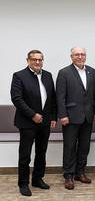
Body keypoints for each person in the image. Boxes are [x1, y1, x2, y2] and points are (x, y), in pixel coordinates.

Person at [10, 50, 57, 196]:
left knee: (41, 152)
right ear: (28, 60)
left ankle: (37, 179)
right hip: (27, 122)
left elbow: (52, 98)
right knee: (25, 155)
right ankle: (23, 183)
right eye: (34, 59)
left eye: (40, 59)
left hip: (45, 122)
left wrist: (53, 117)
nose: (37, 62)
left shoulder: (48, 75)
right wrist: (32, 115)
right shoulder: (19, 76)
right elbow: (17, 99)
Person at [56, 47, 95, 190]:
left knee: (84, 146)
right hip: (70, 117)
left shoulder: (92, 72)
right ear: (71, 57)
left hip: (88, 117)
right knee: (69, 147)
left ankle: (80, 172)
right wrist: (62, 115)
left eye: (82, 54)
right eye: (77, 54)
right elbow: (60, 97)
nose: (80, 57)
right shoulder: (64, 73)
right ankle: (68, 175)